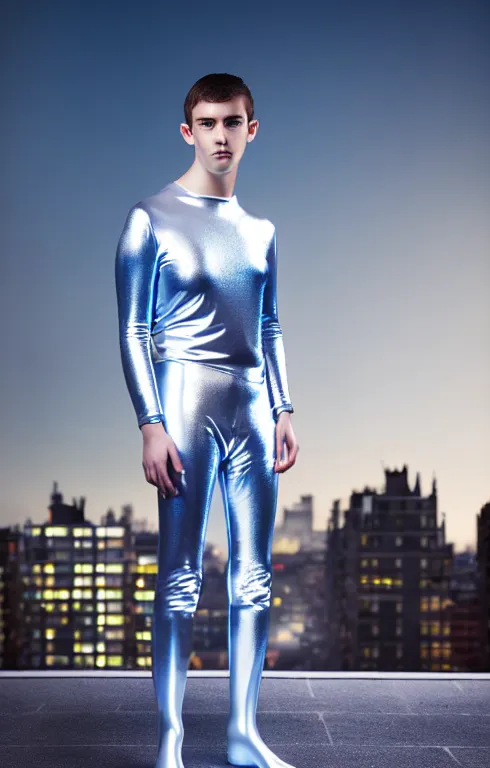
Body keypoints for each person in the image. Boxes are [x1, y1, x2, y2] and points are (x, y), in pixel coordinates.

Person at [115, 73, 299, 768]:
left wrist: (284, 407)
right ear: (187, 130)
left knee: (254, 577)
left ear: (252, 130)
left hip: (254, 407)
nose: (221, 136)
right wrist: (150, 421)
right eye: (207, 122)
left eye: (233, 122)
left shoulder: (261, 233)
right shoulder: (151, 218)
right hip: (185, 402)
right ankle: (172, 740)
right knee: (181, 578)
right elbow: (134, 330)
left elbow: (272, 323)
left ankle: (243, 736)